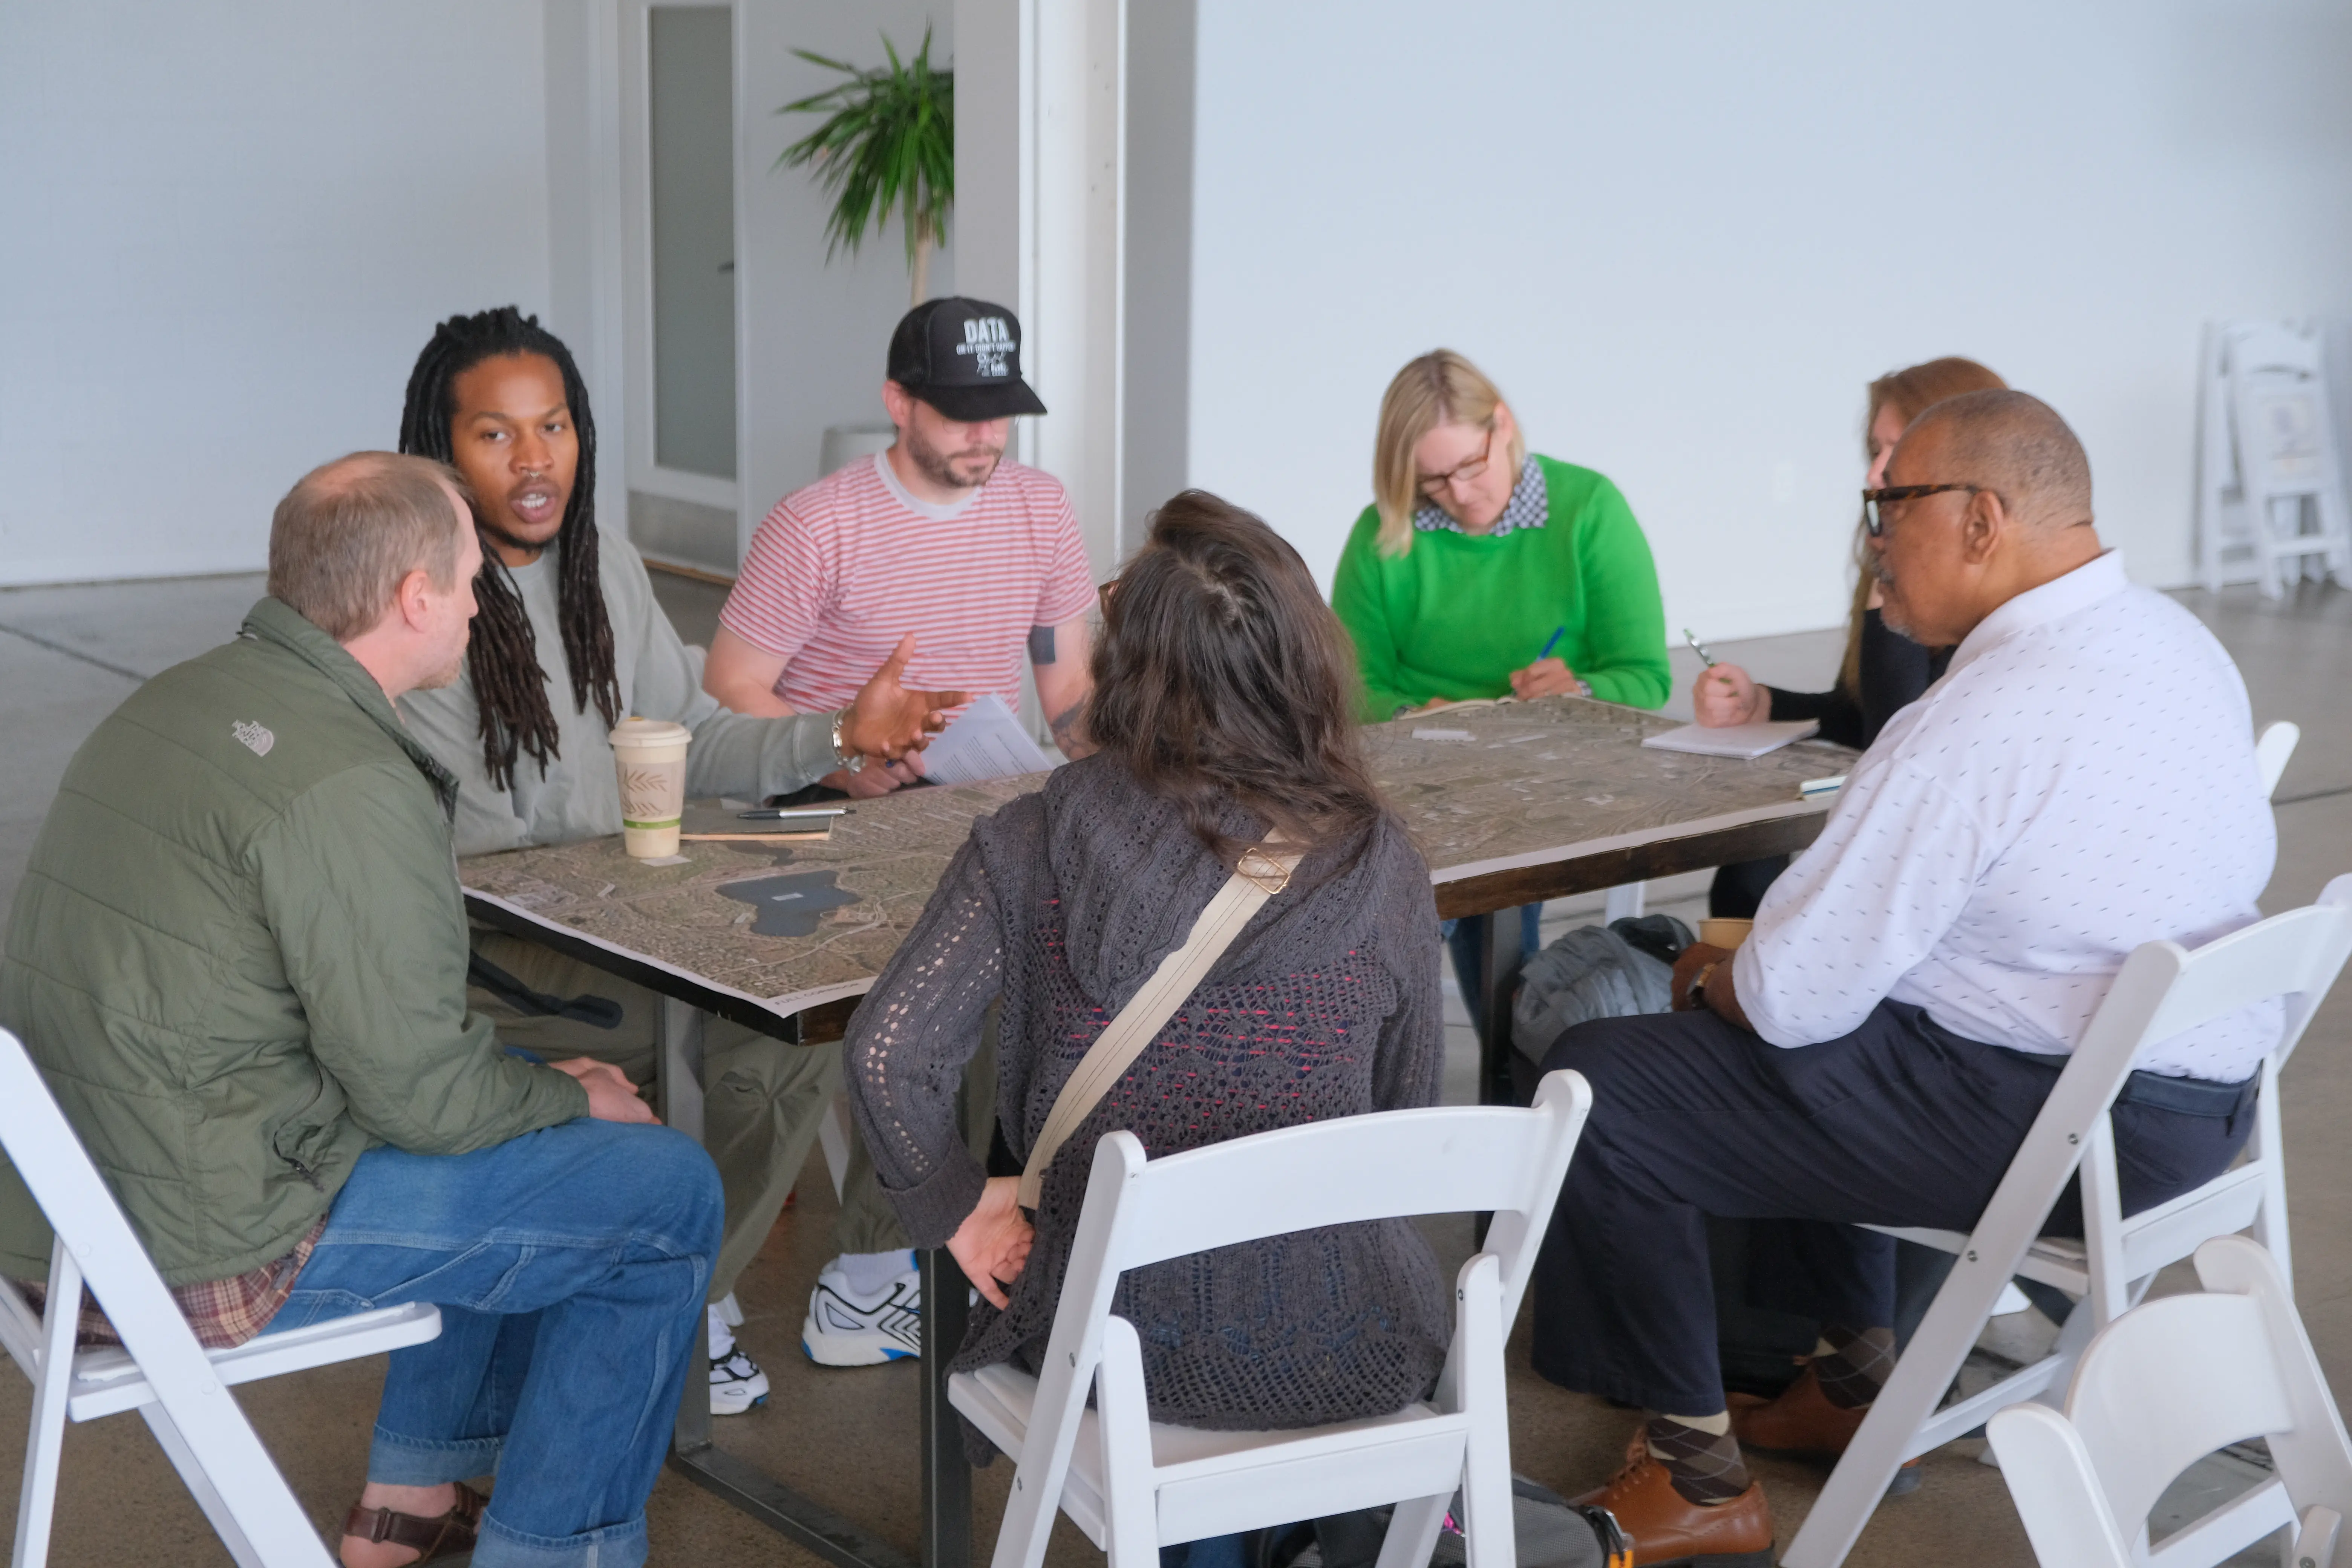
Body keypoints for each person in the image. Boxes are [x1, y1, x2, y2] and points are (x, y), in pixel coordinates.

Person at [1530, 392, 2278, 1565]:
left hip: (2066, 1121)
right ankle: (1855, 1382)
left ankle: (1695, 1475)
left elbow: (1787, 991)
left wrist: (1709, 982)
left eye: (1890, 504)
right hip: (2195, 1110)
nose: (1872, 536)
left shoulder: (1979, 714)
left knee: (1604, 1084)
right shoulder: (2176, 642)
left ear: (1982, 519)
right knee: (1846, 1023)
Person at [0, 453, 723, 1568]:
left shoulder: (181, 696)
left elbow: (407, 1072)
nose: (483, 604)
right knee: (659, 1194)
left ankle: (413, 1498)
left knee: (528, 1123)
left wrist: (541, 1094)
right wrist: (561, 1093)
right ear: (413, 598)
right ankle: (555, 1553)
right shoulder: (346, 778)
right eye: (472, 579)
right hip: (191, 1245)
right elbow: (431, 1101)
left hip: (58, 1218)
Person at [841, 494, 1451, 1526]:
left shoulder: (1032, 841)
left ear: (1128, 670)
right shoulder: (1379, 862)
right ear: (1302, 664)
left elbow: (884, 1055)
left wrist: (960, 1206)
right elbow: (1406, 1119)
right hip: (1350, 1336)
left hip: (1110, 1338)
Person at [393, 306, 961, 1414]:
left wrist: (843, 733)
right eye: (495, 435)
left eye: (553, 426)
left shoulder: (600, 560)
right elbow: (503, 828)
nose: (535, 458)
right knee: (725, 1042)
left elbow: (688, 739)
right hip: (515, 955)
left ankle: (679, 1292)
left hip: (634, 920)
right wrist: (649, 795)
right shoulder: (422, 596)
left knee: (806, 1028)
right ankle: (648, 1310)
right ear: (439, 449)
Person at [702, 297, 1098, 1366]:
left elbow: (1068, 688)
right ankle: (695, 1296)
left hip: (972, 817)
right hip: (816, 818)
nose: (985, 435)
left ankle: (871, 1280)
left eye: (1000, 413)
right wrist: (844, 746)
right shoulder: (818, 523)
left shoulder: (1040, 509)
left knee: (974, 1036)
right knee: (776, 1069)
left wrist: (1115, 763)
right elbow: (731, 692)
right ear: (897, 403)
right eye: (960, 413)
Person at [1331, 349, 1671, 1031]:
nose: (1458, 493)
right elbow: (1343, 683)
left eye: (1470, 467)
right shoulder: (1382, 532)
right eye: (1432, 481)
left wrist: (1581, 687)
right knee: (1402, 904)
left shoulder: (1589, 509)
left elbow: (1647, 677)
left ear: (1504, 426)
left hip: (1541, 775)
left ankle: (1495, 1067)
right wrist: (1407, 713)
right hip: (1418, 773)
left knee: (1474, 893)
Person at [1692, 357, 2007, 920]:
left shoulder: (1996, 617)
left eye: (1898, 451)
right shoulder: (1891, 551)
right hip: (1896, 855)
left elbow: (1898, 744)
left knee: (1761, 878)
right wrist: (1765, 703)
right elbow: (1863, 716)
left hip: (1938, 881)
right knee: (1746, 869)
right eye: (1875, 450)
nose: (1875, 474)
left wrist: (1892, 590)